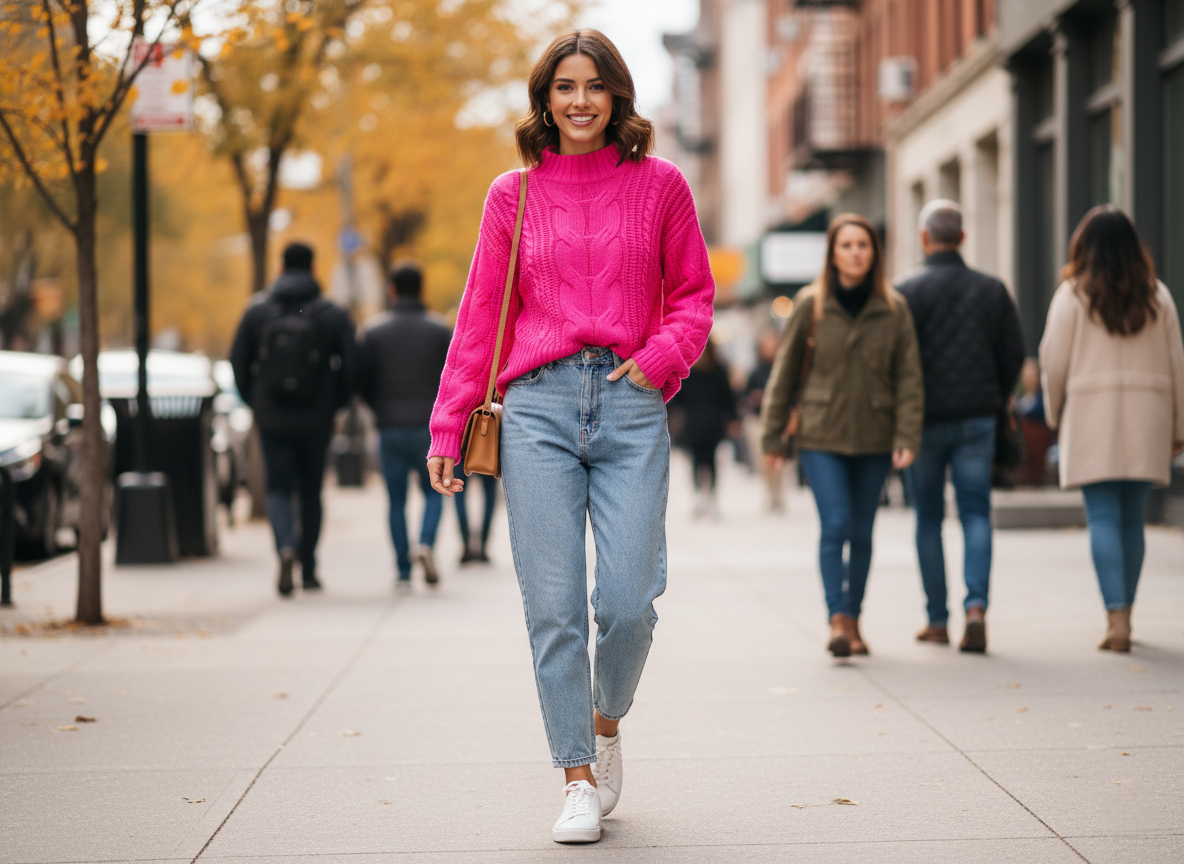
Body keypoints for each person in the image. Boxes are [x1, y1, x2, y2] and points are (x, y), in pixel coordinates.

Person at [425, 30, 713, 843]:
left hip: (629, 402)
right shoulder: (511, 196)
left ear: (617, 94)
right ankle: (577, 776)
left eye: (593, 85)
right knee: (552, 608)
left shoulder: (661, 187)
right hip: (539, 410)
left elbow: (693, 294)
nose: (579, 100)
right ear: (544, 99)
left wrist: (661, 358)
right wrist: (449, 425)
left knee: (628, 604)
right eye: (563, 87)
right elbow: (484, 314)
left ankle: (606, 719)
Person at [760, 214, 923, 658]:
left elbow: (908, 377)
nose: (855, 253)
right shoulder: (811, 304)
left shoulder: (894, 308)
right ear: (833, 253)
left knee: (863, 531)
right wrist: (772, 438)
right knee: (835, 525)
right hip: (822, 435)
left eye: (863, 245)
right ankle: (837, 618)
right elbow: (785, 374)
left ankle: (854, 617)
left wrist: (908, 432)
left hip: (874, 435)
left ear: (875, 253)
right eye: (847, 245)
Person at [1039, 205, 1184, 652]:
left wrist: (1053, 411)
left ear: (1084, 246)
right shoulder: (1157, 296)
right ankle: (1128, 614)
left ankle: (1115, 616)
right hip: (1149, 416)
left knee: (1102, 516)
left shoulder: (1072, 296)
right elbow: (1178, 364)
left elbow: (1053, 361)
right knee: (1132, 519)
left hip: (1090, 417)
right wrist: (1179, 423)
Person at [895, 200, 1025, 653]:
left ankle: (936, 619)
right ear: (963, 238)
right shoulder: (992, 290)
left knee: (928, 517)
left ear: (923, 237)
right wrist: (996, 396)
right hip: (976, 418)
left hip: (922, 422)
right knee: (975, 513)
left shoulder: (905, 291)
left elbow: (893, 361)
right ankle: (976, 608)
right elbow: (1013, 356)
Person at [230, 242, 357, 596]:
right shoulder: (331, 312)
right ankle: (310, 568)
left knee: (278, 488)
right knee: (311, 491)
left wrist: (255, 402)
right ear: (313, 266)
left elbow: (237, 361)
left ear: (281, 265)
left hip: (273, 418)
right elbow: (352, 367)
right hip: (316, 418)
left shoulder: (258, 310)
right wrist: (336, 405)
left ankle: (285, 546)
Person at [358, 263, 452, 587]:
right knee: (434, 492)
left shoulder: (373, 332)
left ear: (392, 290)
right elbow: (453, 378)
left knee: (396, 500)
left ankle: (402, 567)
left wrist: (379, 410)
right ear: (422, 289)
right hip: (430, 429)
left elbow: (363, 382)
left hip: (390, 427)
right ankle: (425, 543)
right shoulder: (440, 331)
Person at [670, 338, 737, 518]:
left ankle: (704, 496)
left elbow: (728, 399)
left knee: (703, 461)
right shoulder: (714, 371)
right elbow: (728, 399)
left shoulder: (694, 371)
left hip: (702, 425)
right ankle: (705, 497)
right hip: (704, 425)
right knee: (703, 461)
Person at [746, 327, 787, 511]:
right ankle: (769, 492)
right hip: (759, 418)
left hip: (780, 419)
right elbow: (745, 394)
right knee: (762, 459)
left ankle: (779, 493)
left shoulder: (784, 368)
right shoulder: (755, 371)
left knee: (781, 460)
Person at [453, 465, 498, 564]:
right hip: (486, 452)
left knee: (459, 493)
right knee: (489, 495)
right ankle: (482, 545)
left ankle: (466, 545)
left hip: (460, 453)